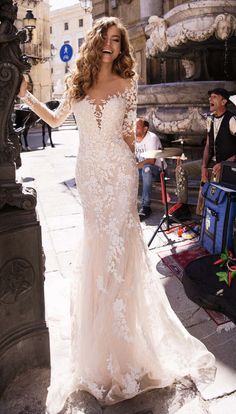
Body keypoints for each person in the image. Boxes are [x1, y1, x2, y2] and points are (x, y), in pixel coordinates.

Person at [18, 16, 215, 414]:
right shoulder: (78, 83)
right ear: (96, 42)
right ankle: (98, 350)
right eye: (106, 39)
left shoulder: (128, 85)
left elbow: (128, 133)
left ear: (122, 49)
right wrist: (25, 96)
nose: (111, 46)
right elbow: (56, 119)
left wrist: (147, 157)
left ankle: (125, 350)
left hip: (120, 175)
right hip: (89, 176)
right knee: (96, 252)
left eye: (117, 42)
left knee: (119, 253)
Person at [175, 88, 236, 215]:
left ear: (224, 101)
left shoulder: (232, 120)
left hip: (227, 165)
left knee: (212, 177)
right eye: (210, 97)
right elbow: (208, 144)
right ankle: (183, 206)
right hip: (211, 163)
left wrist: (225, 163)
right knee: (180, 169)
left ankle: (207, 215)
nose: (210, 99)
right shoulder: (210, 119)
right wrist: (203, 166)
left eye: (214, 97)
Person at [135, 118, 167, 220]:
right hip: (141, 168)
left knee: (147, 169)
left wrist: (134, 166)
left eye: (137, 127)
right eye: (133, 127)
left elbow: (151, 161)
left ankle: (146, 207)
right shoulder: (132, 138)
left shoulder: (152, 138)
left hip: (157, 170)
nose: (134, 129)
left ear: (145, 129)